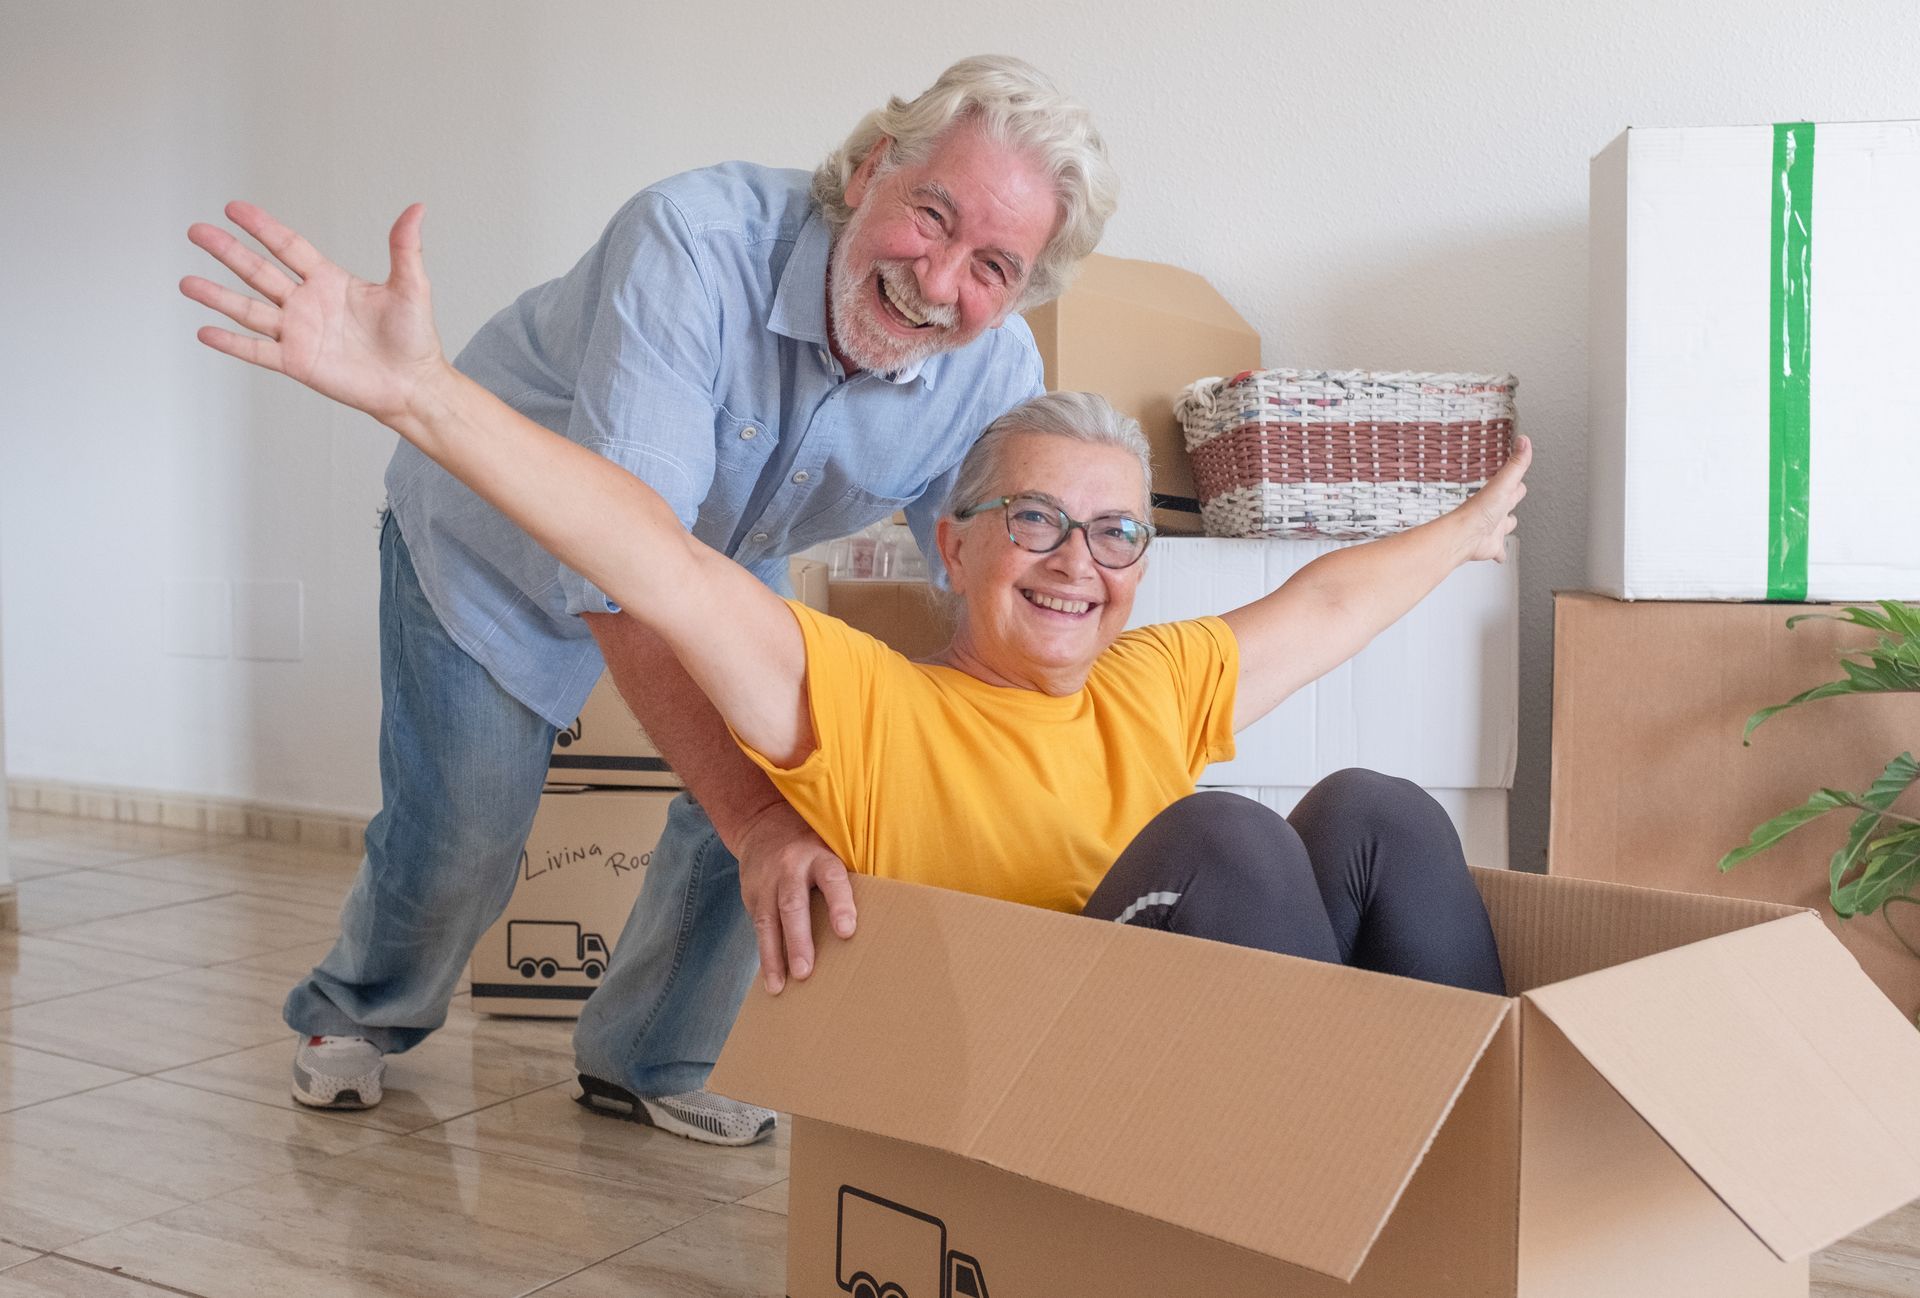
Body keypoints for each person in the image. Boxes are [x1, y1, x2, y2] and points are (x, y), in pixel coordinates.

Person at [184, 214, 1533, 1033]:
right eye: (1038, 521)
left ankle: (1475, 1168)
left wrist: (1466, 531)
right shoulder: (871, 702)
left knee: (1380, 810)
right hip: (1050, 1066)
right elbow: (651, 561)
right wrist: (419, 394)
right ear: (954, 542)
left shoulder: (1156, 678)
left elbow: (1328, 601)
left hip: (1203, 1025)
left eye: (1117, 531)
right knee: (1231, 833)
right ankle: (1316, 1185)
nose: (1081, 563)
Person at [179, 55, 1118, 1144]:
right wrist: (755, 819)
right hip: (493, 541)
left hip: (713, 561)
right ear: (871, 171)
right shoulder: (693, 243)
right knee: (469, 834)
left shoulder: (989, 368)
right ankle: (357, 1010)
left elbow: (986, 586)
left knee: (821, 763)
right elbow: (623, 569)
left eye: (993, 264)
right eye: (932, 216)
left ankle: (647, 1052)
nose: (940, 280)